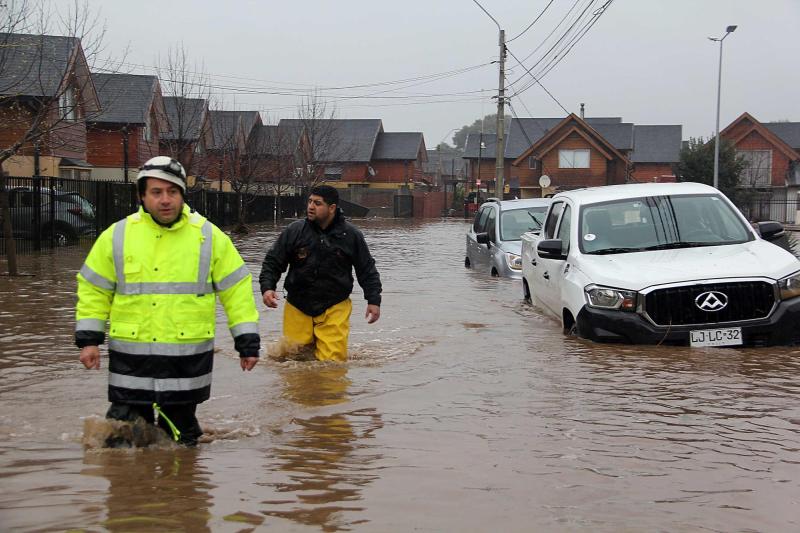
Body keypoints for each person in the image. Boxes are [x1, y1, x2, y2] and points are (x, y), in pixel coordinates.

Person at [75, 156, 260, 447]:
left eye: (172, 192)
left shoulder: (208, 237)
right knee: (120, 439)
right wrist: (89, 340)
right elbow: (94, 289)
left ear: (182, 195)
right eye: (156, 192)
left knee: (182, 443)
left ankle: (181, 491)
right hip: (132, 362)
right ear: (141, 195)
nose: (165, 200)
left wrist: (247, 342)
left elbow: (237, 290)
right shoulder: (117, 236)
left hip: (184, 363)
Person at [259, 185, 382, 362]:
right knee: (293, 359)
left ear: (332, 208)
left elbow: (367, 269)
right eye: (309, 201)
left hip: (335, 305)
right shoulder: (295, 231)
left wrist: (373, 300)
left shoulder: (351, 235)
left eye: (317, 203)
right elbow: (273, 261)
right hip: (298, 303)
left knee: (332, 364)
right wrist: (267, 287)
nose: (310, 206)